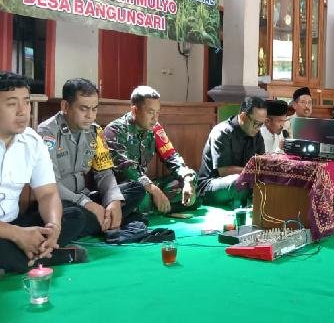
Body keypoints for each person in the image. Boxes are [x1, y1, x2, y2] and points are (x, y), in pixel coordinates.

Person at [0, 72, 86, 273]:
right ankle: (40, 256)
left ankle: (22, 256)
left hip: (15, 224)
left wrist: (53, 227)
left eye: (26, 102)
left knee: (74, 216)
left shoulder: (32, 141)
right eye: (12, 104)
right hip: (9, 231)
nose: (22, 111)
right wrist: (16, 234)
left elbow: (48, 193)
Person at [38, 79, 144, 237]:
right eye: (83, 109)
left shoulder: (95, 132)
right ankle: (111, 222)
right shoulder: (47, 133)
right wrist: (86, 203)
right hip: (61, 203)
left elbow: (104, 173)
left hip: (86, 197)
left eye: (94, 109)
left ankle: (105, 220)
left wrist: (113, 201)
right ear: (65, 106)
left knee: (136, 189)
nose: (90, 116)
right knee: (75, 216)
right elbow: (50, 185)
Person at [104, 86, 197, 214]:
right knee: (141, 195)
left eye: (157, 112)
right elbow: (126, 168)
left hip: (147, 185)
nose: (155, 118)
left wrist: (187, 179)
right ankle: (158, 206)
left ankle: (154, 206)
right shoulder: (114, 130)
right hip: (125, 188)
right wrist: (153, 189)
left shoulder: (155, 129)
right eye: (150, 112)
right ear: (134, 110)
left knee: (190, 184)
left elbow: (171, 157)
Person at [198, 96, 266, 206]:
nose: (258, 128)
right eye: (256, 123)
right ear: (243, 117)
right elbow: (223, 171)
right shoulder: (222, 132)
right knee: (237, 182)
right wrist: (254, 173)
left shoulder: (257, 135)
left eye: (262, 124)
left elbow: (261, 165)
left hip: (244, 181)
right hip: (212, 184)